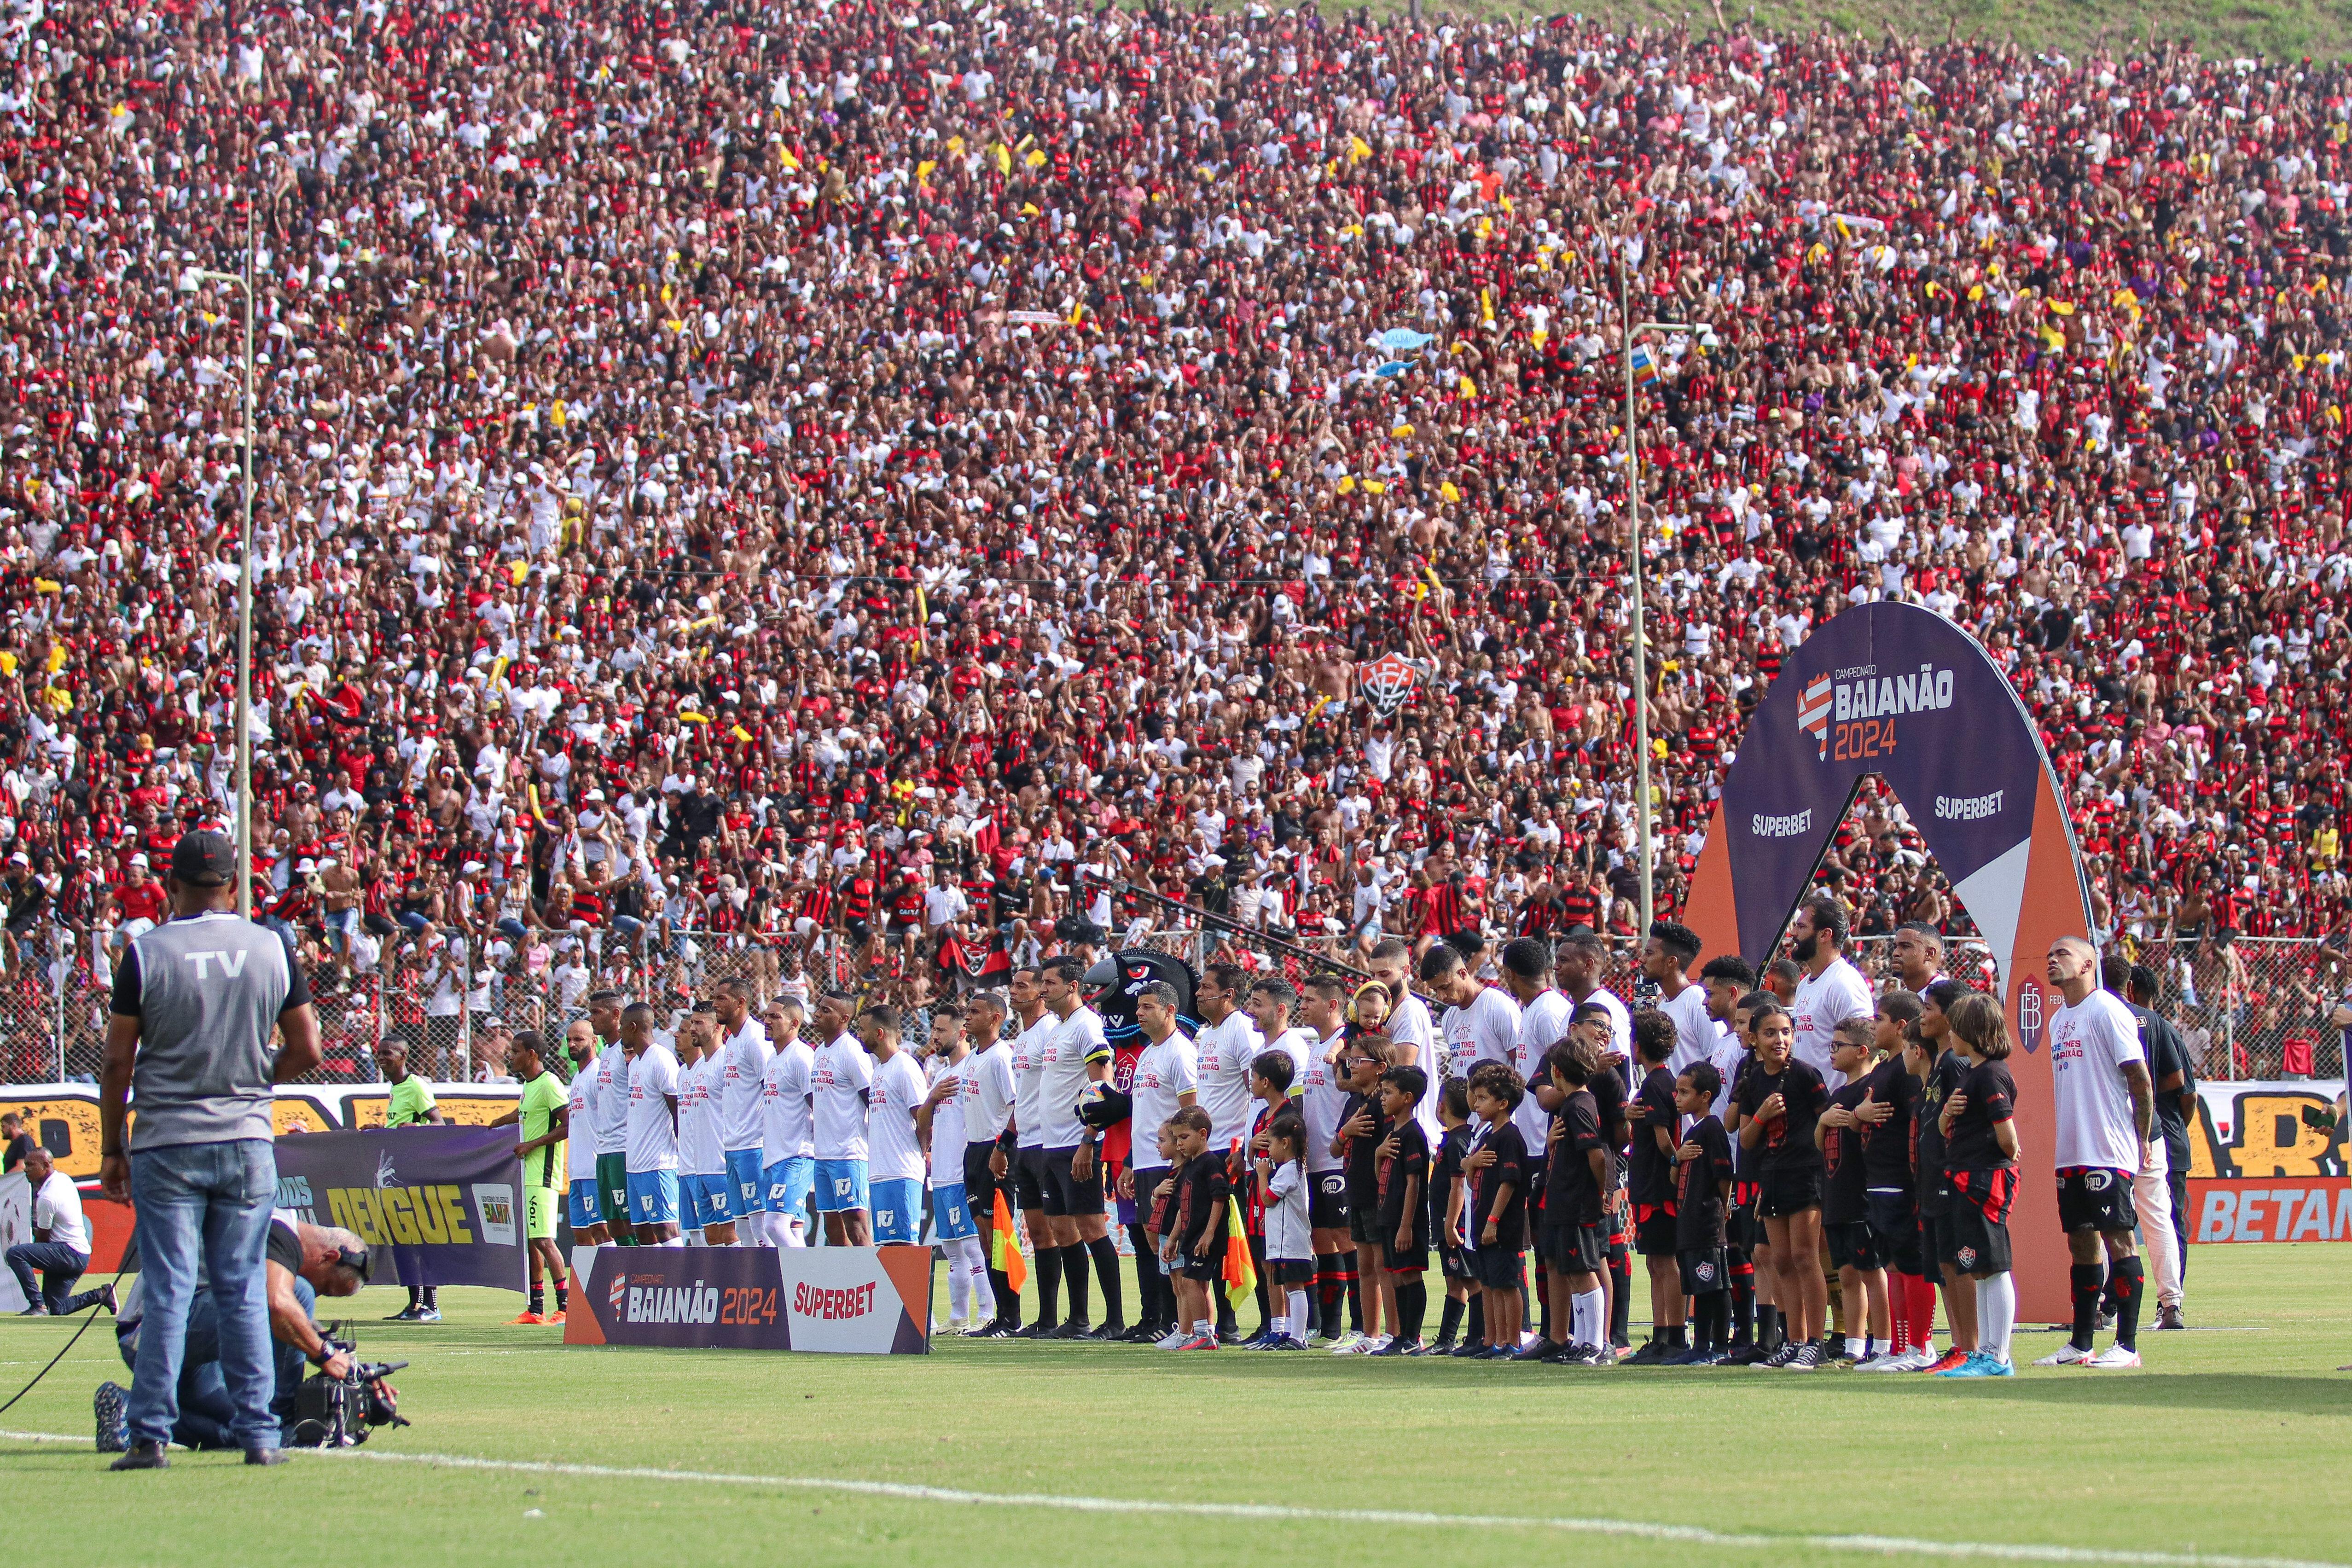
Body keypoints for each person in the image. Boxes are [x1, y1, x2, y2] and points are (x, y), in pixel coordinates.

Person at [98, 830, 322, 1471]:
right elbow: (307, 1046)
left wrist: (114, 1148)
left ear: (170, 887)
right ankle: (259, 1433)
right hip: (245, 1137)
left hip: (168, 1139)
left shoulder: (146, 952)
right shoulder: (271, 946)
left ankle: (150, 1437)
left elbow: (117, 1061)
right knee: (242, 1288)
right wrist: (253, 1079)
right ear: (233, 886)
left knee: (169, 1288)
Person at [96, 1214, 372, 1456]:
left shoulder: (280, 1238)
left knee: (239, 1430)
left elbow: (291, 1314)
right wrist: (324, 1354)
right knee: (299, 1292)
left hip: (193, 1344)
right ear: (329, 1257)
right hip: (148, 1333)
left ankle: (128, 1409)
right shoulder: (273, 1228)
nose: (320, 1295)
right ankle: (283, 1420)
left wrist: (353, 1368)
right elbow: (279, 1304)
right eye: (326, 1287)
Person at [2035, 937, 2156, 1370]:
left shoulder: (2106, 1009)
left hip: (2107, 1147)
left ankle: (2126, 1346)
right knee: (2081, 1244)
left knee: (2119, 1240)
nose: (2051, 960)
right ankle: (2081, 1343)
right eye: (2049, 955)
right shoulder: (2057, 1020)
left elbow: (2138, 1078)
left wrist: (2140, 1138)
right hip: (2071, 1149)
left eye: (2060, 954)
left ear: (2088, 964)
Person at [1733, 998, 1831, 1370]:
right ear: (1753, 1039)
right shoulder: (1753, 1080)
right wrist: (1761, 1115)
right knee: (1780, 1259)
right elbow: (1745, 1139)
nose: (1779, 1039)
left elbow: (1828, 1121)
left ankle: (1816, 1344)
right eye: (1770, 1033)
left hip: (1805, 1173)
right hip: (1770, 1176)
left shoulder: (1806, 1075)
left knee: (1806, 1257)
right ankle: (1792, 1340)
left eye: (1786, 1032)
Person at [1937, 992, 2023, 1379]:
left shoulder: (1990, 1073)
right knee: (1979, 1268)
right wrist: (1948, 1113)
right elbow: (1944, 1128)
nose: (1950, 1033)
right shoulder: (1969, 1073)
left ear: (1971, 1032)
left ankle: (1997, 1356)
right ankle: (1985, 1352)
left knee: (1993, 1265)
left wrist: (2009, 1153)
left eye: (1956, 1026)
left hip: (1984, 1177)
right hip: (1964, 1175)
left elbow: (2005, 1130)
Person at [1036, 953, 1119, 1338]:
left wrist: (1089, 1140)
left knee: (1091, 1227)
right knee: (1062, 1231)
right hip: (1051, 1145)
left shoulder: (1087, 1026)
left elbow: (1103, 1085)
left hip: (1077, 1143)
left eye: (1049, 983)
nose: (1042, 989)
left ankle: (1116, 1320)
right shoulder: (1058, 1028)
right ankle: (1079, 1318)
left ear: (1073, 987)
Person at [1122, 982, 1197, 1344]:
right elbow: (1145, 1116)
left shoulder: (1179, 1052)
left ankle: (1178, 1324)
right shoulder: (1149, 1052)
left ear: (1169, 1011)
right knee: (1155, 1243)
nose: (1139, 1013)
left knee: (1171, 1243)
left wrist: (1182, 1163)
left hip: (1169, 1165)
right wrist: (1130, 1162)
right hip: (1145, 1163)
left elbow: (1191, 1112)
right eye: (1139, 1007)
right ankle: (1164, 1321)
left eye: (1148, 1007)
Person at [2126, 964, 2196, 1330]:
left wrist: (2172, 1128)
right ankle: (2168, 1304)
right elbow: (2183, 1089)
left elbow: (2184, 1089)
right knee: (2158, 1221)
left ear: (2129, 989)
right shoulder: (2157, 1026)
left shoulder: (2155, 1026)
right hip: (2157, 1135)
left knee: (2153, 1221)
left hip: (2152, 1135)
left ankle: (2161, 1304)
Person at [1817, 1019, 1890, 1366]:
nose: (1831, 1052)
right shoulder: (1838, 1094)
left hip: (1861, 1196)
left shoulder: (1873, 1088)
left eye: (1838, 1046)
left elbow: (1874, 1138)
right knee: (1846, 1273)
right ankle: (1853, 1346)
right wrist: (1822, 1122)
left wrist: (1854, 1119)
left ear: (1862, 1051)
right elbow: (1822, 1143)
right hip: (1836, 1194)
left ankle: (1883, 1344)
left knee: (1871, 1271)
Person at [917, 1004, 991, 1331]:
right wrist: (931, 1098)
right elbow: (922, 1125)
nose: (935, 1036)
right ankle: (958, 1317)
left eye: (941, 1030)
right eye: (933, 1029)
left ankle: (988, 1313)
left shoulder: (973, 1070)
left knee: (973, 1246)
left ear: (962, 1032)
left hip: (965, 1172)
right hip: (942, 1173)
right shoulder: (940, 1075)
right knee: (950, 1248)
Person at [488, 1030, 569, 1322]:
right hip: (528, 1174)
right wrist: (501, 1121)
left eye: (516, 1051)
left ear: (532, 1054)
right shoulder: (529, 1086)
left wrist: (532, 1145)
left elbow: (568, 1124)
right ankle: (536, 1309)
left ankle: (565, 1306)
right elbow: (527, 1115)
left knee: (544, 1240)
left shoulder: (549, 1084)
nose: (511, 1056)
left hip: (543, 1173)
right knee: (532, 1241)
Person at [1538, 1047, 1611, 1366]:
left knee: (1583, 1271)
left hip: (1577, 1202)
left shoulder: (1579, 1105)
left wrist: (1601, 1191)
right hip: (1563, 1202)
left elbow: (1595, 1154)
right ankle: (1580, 1340)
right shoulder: (1570, 1105)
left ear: (1557, 1072)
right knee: (1571, 1273)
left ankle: (1595, 1345)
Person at [1623, 1009, 1686, 1363]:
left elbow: (1664, 1140)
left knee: (1665, 1263)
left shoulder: (1655, 1084)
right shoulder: (1662, 1082)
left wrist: (1676, 1166)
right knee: (1657, 1263)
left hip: (1659, 1187)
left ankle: (1674, 1337)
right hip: (1651, 1184)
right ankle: (1663, 1335)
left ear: (1637, 1047)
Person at [1460, 1062, 1530, 1359]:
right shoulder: (1488, 1135)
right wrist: (1470, 1165)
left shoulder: (1509, 1137)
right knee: (1489, 1284)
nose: (1476, 1105)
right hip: (1481, 1221)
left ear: (1502, 1103)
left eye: (1483, 1098)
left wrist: (1492, 1221)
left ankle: (1510, 1341)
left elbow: (1509, 1182)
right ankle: (1494, 1340)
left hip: (1501, 1226)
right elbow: (1473, 1178)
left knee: (1506, 1284)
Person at [961, 991, 1020, 1335]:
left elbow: (1016, 1105)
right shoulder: (973, 1058)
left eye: (975, 1012)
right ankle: (1000, 1316)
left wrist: (1003, 1148)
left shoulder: (1001, 1058)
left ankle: (1012, 1317)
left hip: (995, 1150)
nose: (967, 1017)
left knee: (1000, 1236)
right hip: (973, 1150)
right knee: (984, 1238)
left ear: (996, 1018)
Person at [376, 1034, 445, 1322]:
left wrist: (414, 1126)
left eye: (388, 1054)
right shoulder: (396, 1089)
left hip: (414, 1175)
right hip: (396, 1175)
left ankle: (431, 1305)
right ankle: (414, 1304)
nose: (381, 1058)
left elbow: (440, 1124)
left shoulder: (416, 1086)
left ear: (403, 1057)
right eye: (379, 1053)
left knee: (420, 1239)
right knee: (402, 1241)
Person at [1670, 1063, 1735, 1364]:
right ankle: (1700, 1346)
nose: (1677, 1098)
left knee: (1714, 1286)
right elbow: (1676, 1177)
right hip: (1688, 1223)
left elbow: (1724, 1174)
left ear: (1705, 1096)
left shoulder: (1712, 1128)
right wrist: (1676, 1159)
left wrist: (1722, 1208)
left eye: (1684, 1092)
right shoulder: (1690, 1131)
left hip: (1706, 1222)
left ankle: (1718, 1347)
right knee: (1699, 1286)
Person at [8, 1145, 114, 1316]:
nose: (25, 1169)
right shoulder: (63, 1179)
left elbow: (43, 1239)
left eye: (30, 1165)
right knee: (58, 1309)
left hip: (68, 1254)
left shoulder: (48, 1197)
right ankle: (102, 1294)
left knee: (15, 1254)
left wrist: (33, 1256)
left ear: (45, 1165)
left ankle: (37, 1305)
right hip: (80, 1255)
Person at [1371, 1064, 1432, 1356]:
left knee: (1410, 1275)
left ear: (1408, 1097)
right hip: (1388, 1215)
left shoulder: (1413, 1134)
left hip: (1406, 1221)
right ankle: (1400, 1337)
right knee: (1395, 1275)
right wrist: (1378, 1155)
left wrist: (1407, 1225)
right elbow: (1381, 1175)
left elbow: (1414, 1182)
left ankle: (1412, 1337)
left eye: (1389, 1092)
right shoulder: (1390, 1130)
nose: (1382, 1097)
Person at [809, 990, 874, 1247]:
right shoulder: (820, 1052)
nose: (817, 1014)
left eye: (826, 1011)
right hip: (823, 1154)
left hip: (849, 1153)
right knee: (832, 1230)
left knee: (856, 1225)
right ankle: (848, 1285)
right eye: (819, 1008)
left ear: (844, 1018)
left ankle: (872, 1283)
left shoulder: (852, 1052)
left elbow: (873, 1099)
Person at [712, 978, 774, 1247]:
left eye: (722, 999)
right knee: (741, 1225)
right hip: (733, 1145)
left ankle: (775, 1283)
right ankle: (753, 1285)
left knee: (762, 1227)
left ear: (741, 1003)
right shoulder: (733, 1042)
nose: (715, 1004)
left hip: (754, 1144)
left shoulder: (756, 1039)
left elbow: (771, 1090)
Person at [1161, 1107, 1230, 1351]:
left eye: (1184, 1137)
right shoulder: (1189, 1167)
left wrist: (1210, 1233)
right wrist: (1172, 1238)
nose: (1179, 1144)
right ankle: (1207, 1334)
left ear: (1203, 1134)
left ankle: (1202, 1335)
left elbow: (1220, 1198)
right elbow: (1183, 1208)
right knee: (1199, 1285)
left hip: (1205, 1238)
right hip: (1191, 1237)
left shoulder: (1211, 1163)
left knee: (1191, 1283)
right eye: (1177, 1138)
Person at [860, 1005, 929, 1247]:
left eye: (863, 1030)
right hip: (880, 1173)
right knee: (887, 1250)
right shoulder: (880, 1069)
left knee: (904, 1251)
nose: (860, 1035)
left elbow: (924, 1119)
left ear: (879, 1034)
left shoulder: (906, 1067)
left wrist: (915, 1154)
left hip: (901, 1172)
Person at [620, 1002, 684, 1246]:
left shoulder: (661, 1059)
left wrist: (683, 1152)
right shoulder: (636, 1063)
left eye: (623, 1027)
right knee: (643, 1234)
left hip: (658, 1163)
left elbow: (677, 1109)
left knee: (666, 1230)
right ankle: (656, 1283)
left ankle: (678, 1281)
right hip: (635, 1164)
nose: (621, 1032)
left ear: (633, 1028)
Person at [1252, 1115, 1314, 1351]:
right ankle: (1290, 1332)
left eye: (1272, 1143)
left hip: (1291, 1242)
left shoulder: (1289, 1170)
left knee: (1295, 1288)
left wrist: (1261, 1175)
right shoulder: (1291, 1169)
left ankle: (1298, 1337)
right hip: (1284, 1242)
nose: (1270, 1151)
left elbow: (1268, 1199)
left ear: (1285, 1143)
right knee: (1290, 1287)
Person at [759, 997, 816, 1249]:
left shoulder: (802, 1057)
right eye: (767, 1016)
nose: (767, 1021)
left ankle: (809, 1282)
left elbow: (818, 1105)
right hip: (775, 1156)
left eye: (775, 1017)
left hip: (796, 1155)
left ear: (794, 1023)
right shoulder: (774, 1059)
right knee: (793, 1229)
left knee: (774, 1225)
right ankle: (797, 1285)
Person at [585, 991, 637, 1249]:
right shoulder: (606, 1053)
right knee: (613, 1222)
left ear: (616, 1015)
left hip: (623, 1147)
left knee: (630, 1220)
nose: (591, 1019)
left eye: (596, 1013)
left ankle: (645, 1270)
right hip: (603, 1149)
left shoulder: (629, 1053)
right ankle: (630, 1272)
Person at [562, 1022, 613, 1251]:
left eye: (579, 1039)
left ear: (594, 1041)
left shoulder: (598, 1075)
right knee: (581, 1236)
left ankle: (613, 1284)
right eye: (569, 1040)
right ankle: (588, 1287)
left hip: (594, 1171)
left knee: (602, 1232)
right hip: (577, 1172)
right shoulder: (577, 1079)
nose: (572, 1044)